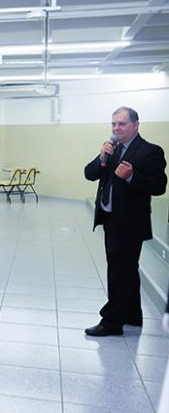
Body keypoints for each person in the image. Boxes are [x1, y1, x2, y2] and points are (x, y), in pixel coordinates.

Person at [84, 107, 167, 336]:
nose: (116, 129)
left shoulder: (150, 151)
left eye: (121, 124)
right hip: (110, 219)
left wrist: (132, 176)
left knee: (119, 271)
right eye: (113, 124)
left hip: (130, 223)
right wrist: (102, 157)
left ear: (136, 124)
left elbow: (159, 185)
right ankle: (132, 315)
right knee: (127, 269)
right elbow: (89, 173)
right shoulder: (112, 149)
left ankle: (111, 322)